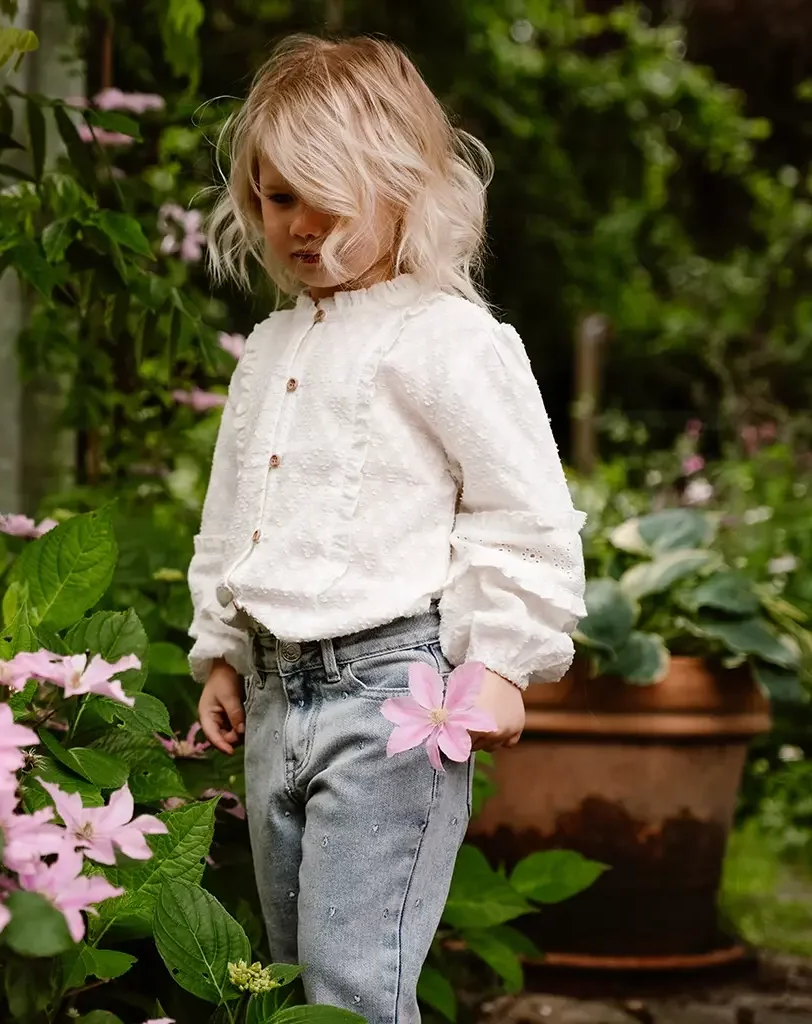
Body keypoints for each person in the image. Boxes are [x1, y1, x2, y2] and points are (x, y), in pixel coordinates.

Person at [187, 33, 586, 1024]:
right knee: (286, 980)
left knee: (354, 984)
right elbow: (232, 516)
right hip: (276, 695)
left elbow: (520, 506)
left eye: (328, 194)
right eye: (277, 197)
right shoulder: (269, 348)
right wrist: (222, 648)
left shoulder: (444, 338)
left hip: (391, 699)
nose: (299, 224)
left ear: (403, 187)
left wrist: (498, 656)